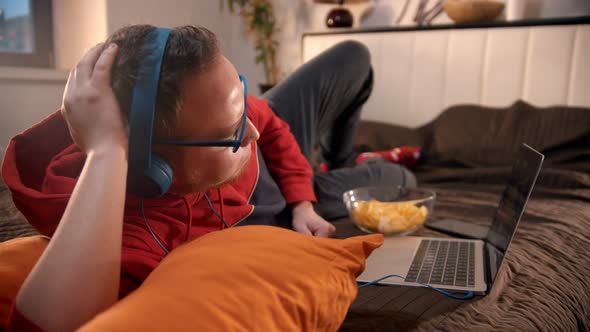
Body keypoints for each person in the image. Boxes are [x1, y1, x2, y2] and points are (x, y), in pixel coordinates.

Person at [1, 25, 415, 331]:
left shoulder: (219, 110)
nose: (247, 131)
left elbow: (266, 127)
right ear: (154, 169)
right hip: (278, 208)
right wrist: (107, 151)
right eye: (230, 134)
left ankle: (333, 160)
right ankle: (340, 169)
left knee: (353, 54)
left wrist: (302, 199)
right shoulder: (135, 234)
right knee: (398, 179)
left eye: (239, 99)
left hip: (293, 186)